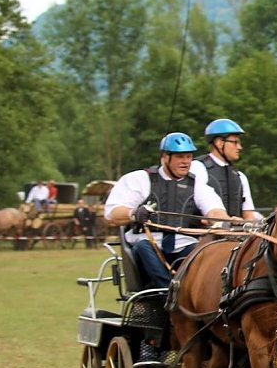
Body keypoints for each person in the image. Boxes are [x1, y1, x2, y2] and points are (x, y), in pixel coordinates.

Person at [104, 132, 230, 288]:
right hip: (148, 245)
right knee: (144, 247)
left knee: (203, 252)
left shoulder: (197, 185)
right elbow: (112, 213)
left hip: (185, 246)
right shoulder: (141, 179)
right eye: (180, 157)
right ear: (165, 157)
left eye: (189, 157)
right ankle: (168, 292)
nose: (185, 162)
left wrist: (223, 222)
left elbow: (215, 211)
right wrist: (134, 213)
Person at [191, 118, 263, 221]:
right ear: (220, 143)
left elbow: (249, 215)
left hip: (235, 235)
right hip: (202, 234)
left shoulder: (240, 176)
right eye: (235, 142)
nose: (240, 147)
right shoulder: (197, 167)